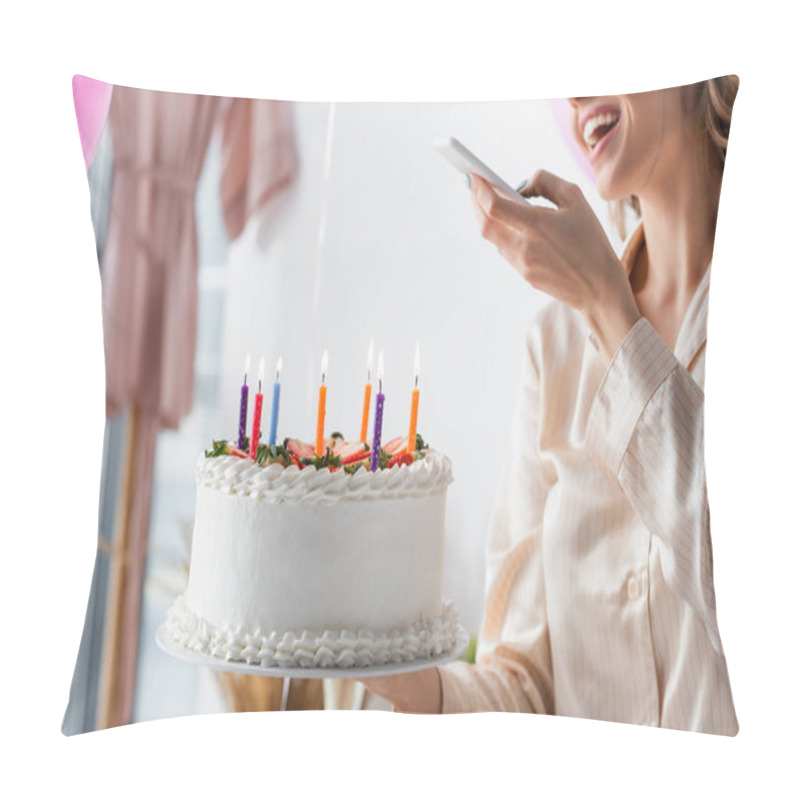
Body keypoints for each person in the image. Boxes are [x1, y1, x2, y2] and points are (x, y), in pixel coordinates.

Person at [362, 78, 740, 735]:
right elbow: (527, 687)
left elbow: (753, 601)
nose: (574, 86)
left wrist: (607, 303)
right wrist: (415, 684)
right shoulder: (555, 345)